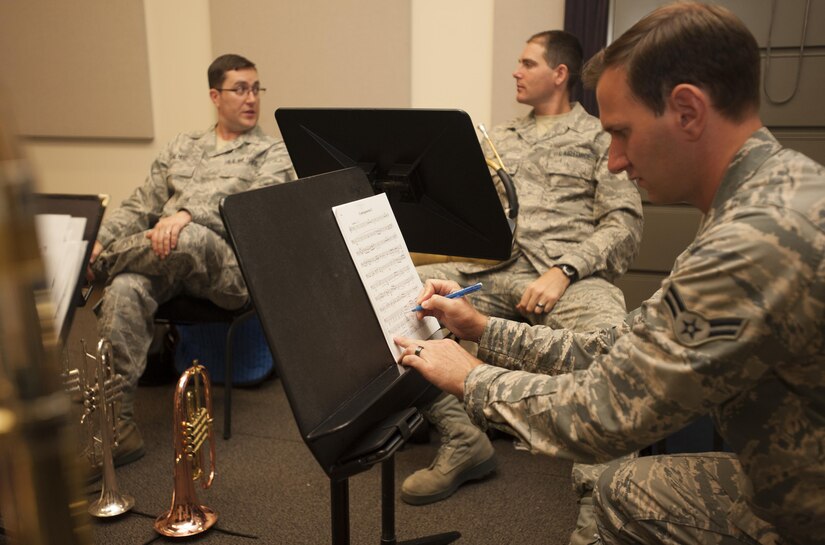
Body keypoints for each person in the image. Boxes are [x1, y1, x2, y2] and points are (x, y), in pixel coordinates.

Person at [396, 3, 825, 544]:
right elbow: (620, 347)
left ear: (688, 110)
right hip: (791, 473)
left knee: (611, 485)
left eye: (622, 132)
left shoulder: (753, 241)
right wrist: (481, 330)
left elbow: (606, 411)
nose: (617, 159)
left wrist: (470, 376)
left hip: (805, 511)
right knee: (624, 489)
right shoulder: (770, 193)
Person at [402, 28, 644, 528]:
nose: (516, 71)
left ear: (559, 74)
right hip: (494, 271)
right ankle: (463, 438)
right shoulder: (497, 139)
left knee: (616, 347)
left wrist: (565, 269)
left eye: (527, 63)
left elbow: (624, 225)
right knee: (400, 298)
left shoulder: (602, 136)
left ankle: (604, 506)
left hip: (572, 278)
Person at [85, 54, 295, 478]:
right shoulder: (182, 146)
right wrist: (101, 237)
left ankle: (88, 269)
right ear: (215, 96)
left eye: (256, 88)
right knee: (125, 287)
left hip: (230, 270)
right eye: (240, 89)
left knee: (187, 237)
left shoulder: (272, 151)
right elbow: (140, 204)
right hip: (164, 261)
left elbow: (252, 210)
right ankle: (117, 427)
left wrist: (186, 215)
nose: (251, 98)